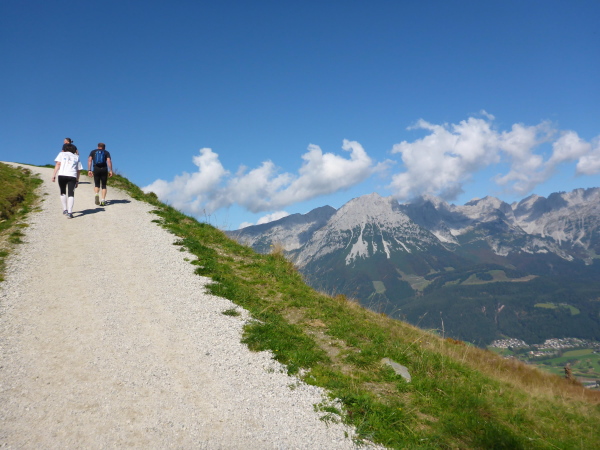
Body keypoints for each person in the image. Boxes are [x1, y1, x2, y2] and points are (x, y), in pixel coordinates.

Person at [52, 141, 82, 219]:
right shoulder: (76, 157)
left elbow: (58, 164)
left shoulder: (61, 154)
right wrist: (77, 180)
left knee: (62, 192)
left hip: (62, 175)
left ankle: (65, 209)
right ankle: (70, 212)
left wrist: (54, 175)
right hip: (72, 175)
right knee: (71, 193)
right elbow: (78, 170)